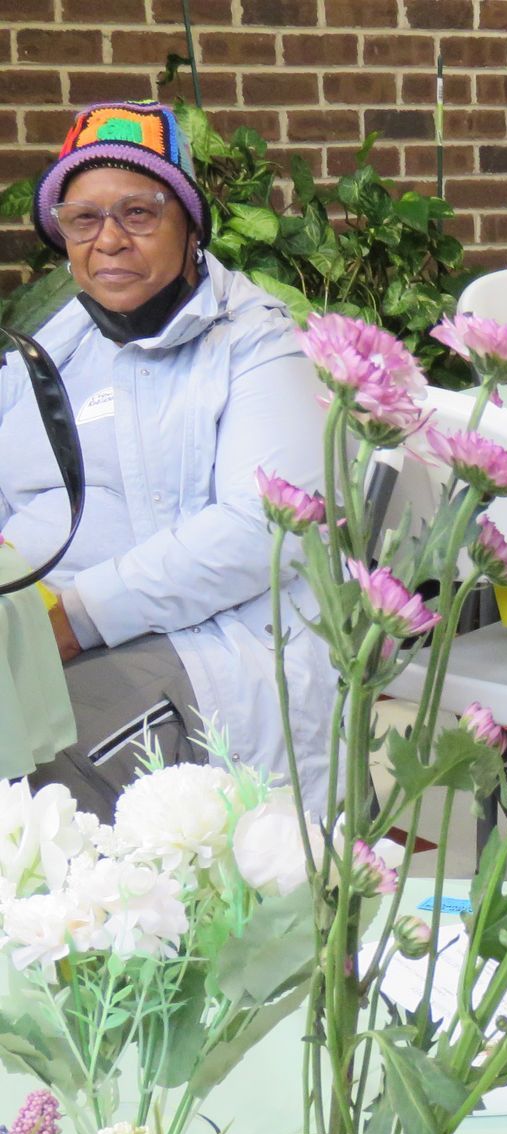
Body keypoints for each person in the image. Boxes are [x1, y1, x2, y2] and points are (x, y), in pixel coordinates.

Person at [0, 101, 332, 815]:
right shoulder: (58, 345)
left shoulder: (257, 346)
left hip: (200, 648)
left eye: (140, 214)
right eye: (82, 219)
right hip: (30, 635)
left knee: (26, 759)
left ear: (190, 230)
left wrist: (71, 616)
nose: (108, 240)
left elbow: (262, 529)